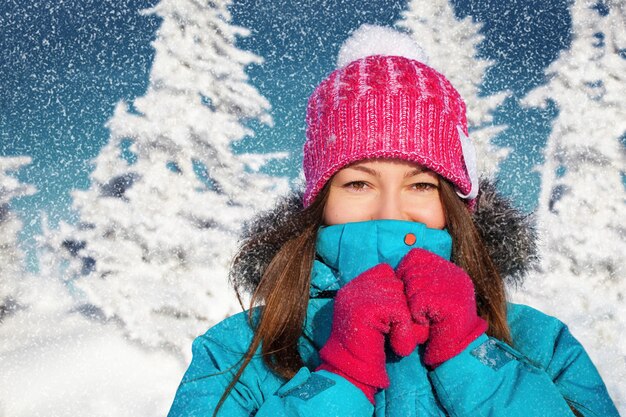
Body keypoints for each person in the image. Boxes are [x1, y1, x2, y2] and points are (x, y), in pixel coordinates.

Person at [167, 25, 619, 417]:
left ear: (454, 204)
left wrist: (471, 357)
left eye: (420, 185)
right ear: (320, 200)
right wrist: (340, 377)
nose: (389, 211)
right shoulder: (236, 352)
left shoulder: (542, 345)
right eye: (358, 184)